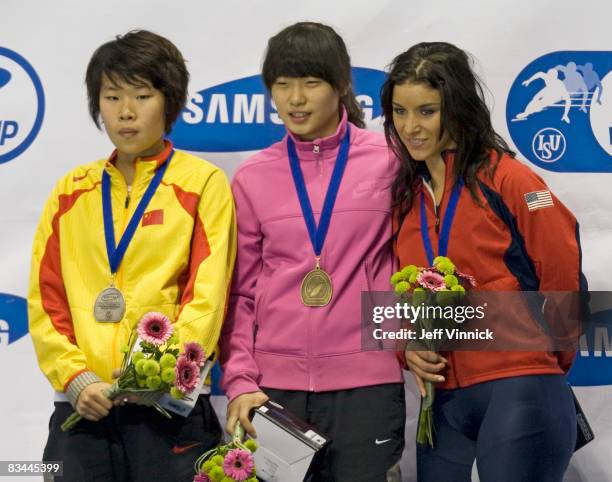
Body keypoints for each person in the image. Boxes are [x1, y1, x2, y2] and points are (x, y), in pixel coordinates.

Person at [28, 30, 236, 482]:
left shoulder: (202, 184)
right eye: (111, 96)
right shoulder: (71, 191)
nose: (125, 111)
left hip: (167, 415)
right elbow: (46, 301)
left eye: (142, 95)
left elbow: (207, 296)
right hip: (82, 412)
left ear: (170, 101)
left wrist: (153, 375)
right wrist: (76, 379)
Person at [381, 42, 586, 482]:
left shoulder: (511, 179)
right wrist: (407, 348)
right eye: (400, 112)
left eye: (426, 112)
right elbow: (402, 299)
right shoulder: (405, 199)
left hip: (520, 387)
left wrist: (541, 361)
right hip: (443, 405)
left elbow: (562, 269)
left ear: (457, 107)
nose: (410, 127)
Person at [220, 22, 405, 481]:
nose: (294, 99)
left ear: (341, 86)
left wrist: (400, 342)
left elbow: (413, 265)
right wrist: (241, 379)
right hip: (273, 390)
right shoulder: (253, 176)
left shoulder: (390, 160)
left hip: (367, 383)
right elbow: (240, 292)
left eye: (310, 82)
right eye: (281, 85)